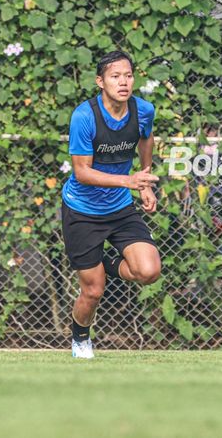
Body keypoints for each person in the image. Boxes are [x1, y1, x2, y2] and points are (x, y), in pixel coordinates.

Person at [61, 50, 161, 359]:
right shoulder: (84, 116)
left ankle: (101, 265)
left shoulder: (143, 110)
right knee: (93, 291)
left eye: (128, 76)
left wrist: (143, 181)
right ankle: (80, 337)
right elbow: (82, 172)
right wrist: (127, 182)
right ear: (100, 81)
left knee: (148, 271)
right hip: (82, 210)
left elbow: (146, 139)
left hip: (119, 209)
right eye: (115, 76)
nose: (123, 82)